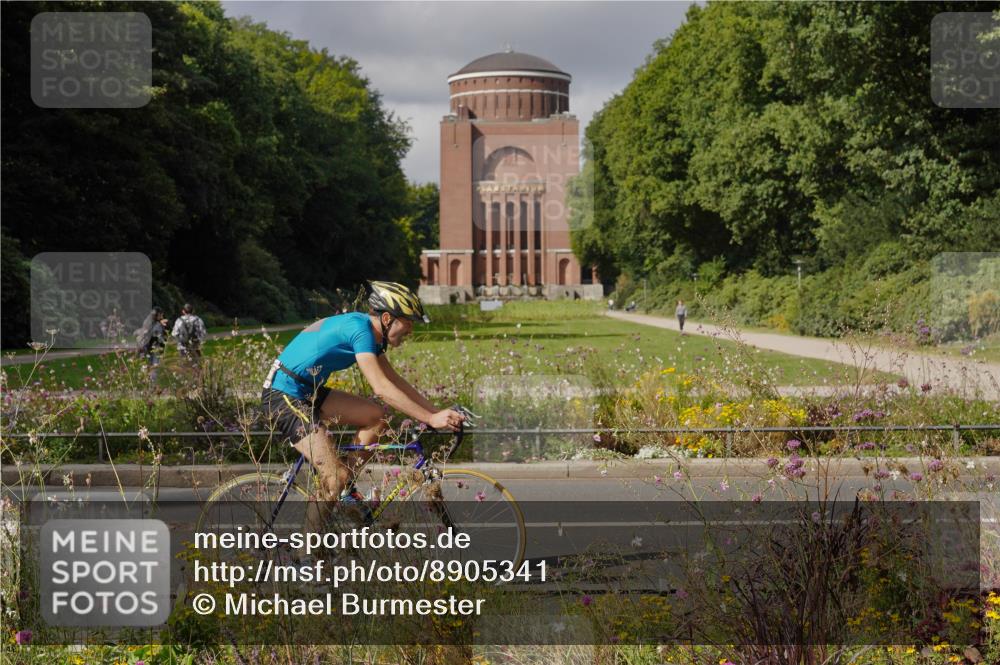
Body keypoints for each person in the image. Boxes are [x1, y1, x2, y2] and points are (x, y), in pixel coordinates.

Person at [260, 281, 465, 521]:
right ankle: (308, 542)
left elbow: (395, 380)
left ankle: (345, 490)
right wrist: (430, 417)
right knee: (333, 478)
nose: (411, 330)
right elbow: (381, 388)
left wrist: (436, 412)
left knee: (377, 418)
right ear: (387, 318)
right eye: (408, 322)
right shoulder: (359, 330)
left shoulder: (372, 335)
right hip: (283, 394)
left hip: (308, 391)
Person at [136, 307, 168, 383]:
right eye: (161, 314)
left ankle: (144, 381)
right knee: (154, 366)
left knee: (145, 365)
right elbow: (160, 338)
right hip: (154, 347)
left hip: (143, 347)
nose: (162, 316)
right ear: (158, 315)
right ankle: (152, 384)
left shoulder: (146, 321)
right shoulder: (158, 325)